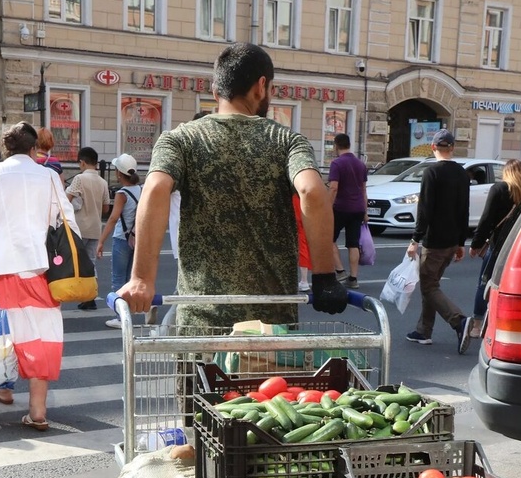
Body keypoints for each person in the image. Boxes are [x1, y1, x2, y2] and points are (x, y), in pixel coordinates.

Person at [116, 42, 348, 327]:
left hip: (201, 320)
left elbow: (155, 188)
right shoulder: (288, 141)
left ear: (216, 91)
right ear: (261, 87)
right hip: (271, 323)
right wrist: (324, 278)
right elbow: (311, 191)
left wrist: (141, 278)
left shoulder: (179, 139)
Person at [0, 122, 80, 430]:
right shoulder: (49, 175)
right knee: (40, 335)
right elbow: (67, 221)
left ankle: (3, 388)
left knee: (2, 333)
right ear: (34, 149)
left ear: (5, 149)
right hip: (41, 269)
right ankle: (38, 409)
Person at [404, 129, 471, 352]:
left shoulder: (431, 172)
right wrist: (461, 242)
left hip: (435, 241)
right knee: (431, 284)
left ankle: (459, 321)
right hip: (452, 240)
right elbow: (464, 210)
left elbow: (425, 209)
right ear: (452, 148)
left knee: (428, 285)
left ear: (433, 147)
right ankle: (424, 331)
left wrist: (415, 239)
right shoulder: (462, 173)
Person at [468, 159, 521, 337]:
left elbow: (486, 219)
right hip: (520, 247)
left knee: (485, 282)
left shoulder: (499, 189)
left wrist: (476, 244)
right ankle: (503, 324)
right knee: (510, 286)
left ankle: (477, 324)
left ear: (506, 173)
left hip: (498, 246)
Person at [97, 153, 141, 329]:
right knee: (129, 279)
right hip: (135, 239)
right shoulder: (140, 190)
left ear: (119, 173)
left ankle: (120, 317)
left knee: (118, 279)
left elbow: (113, 218)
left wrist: (101, 241)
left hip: (122, 239)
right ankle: (128, 314)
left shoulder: (122, 194)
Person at [65, 145, 109, 310]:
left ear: (82, 162)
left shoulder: (79, 179)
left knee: (74, 261)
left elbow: (67, 200)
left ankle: (77, 292)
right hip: (95, 228)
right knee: (91, 262)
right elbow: (106, 208)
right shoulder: (103, 182)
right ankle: (91, 296)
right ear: (96, 163)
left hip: (80, 227)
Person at [328, 132, 368, 288]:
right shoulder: (360, 164)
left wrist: (327, 206)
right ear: (349, 145)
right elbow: (364, 190)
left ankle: (340, 271)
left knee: (328, 239)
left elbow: (333, 188)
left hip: (340, 208)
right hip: (358, 208)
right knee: (353, 243)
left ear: (336, 146)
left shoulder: (336, 164)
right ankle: (353, 278)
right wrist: (365, 212)